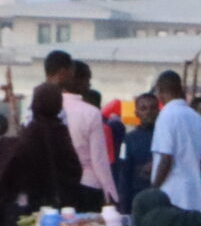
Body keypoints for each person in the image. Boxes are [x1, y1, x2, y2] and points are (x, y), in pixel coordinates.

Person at [1, 83, 103, 211]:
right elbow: (74, 168)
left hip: (30, 202)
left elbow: (13, 169)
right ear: (57, 104)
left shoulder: (30, 132)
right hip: (61, 202)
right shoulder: (60, 132)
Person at [44, 55, 115, 203]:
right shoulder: (91, 113)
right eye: (87, 79)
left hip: (53, 185)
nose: (89, 85)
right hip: (88, 185)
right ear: (73, 79)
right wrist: (111, 193)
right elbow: (99, 160)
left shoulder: (43, 108)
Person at [147, 72, 201, 211]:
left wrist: (153, 189)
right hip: (195, 192)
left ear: (160, 90)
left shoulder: (166, 116)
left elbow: (166, 159)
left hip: (172, 193)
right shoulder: (196, 117)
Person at [117, 90, 159, 205]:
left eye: (152, 108)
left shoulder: (166, 136)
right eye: (144, 108)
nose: (148, 112)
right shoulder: (128, 139)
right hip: (138, 196)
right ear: (136, 112)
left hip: (162, 196)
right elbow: (124, 173)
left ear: (158, 110)